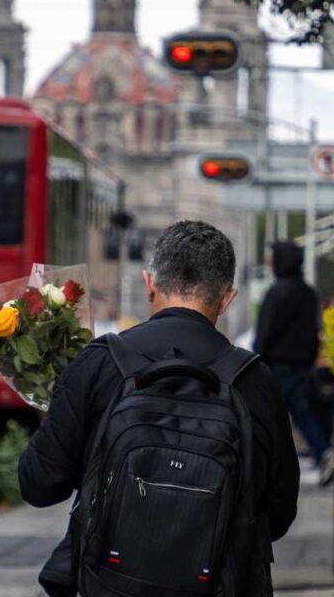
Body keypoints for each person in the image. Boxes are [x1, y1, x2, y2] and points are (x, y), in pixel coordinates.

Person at [19, 221, 300, 597]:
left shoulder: (101, 364)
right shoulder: (254, 382)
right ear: (227, 298)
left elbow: (38, 485)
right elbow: (278, 516)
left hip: (110, 584)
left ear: (149, 282)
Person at [254, 241, 334, 485]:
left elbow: (265, 331)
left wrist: (257, 356)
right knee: (299, 411)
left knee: (270, 414)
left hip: (277, 364)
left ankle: (322, 453)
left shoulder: (277, 292)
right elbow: (314, 329)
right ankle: (321, 453)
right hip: (302, 365)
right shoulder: (308, 293)